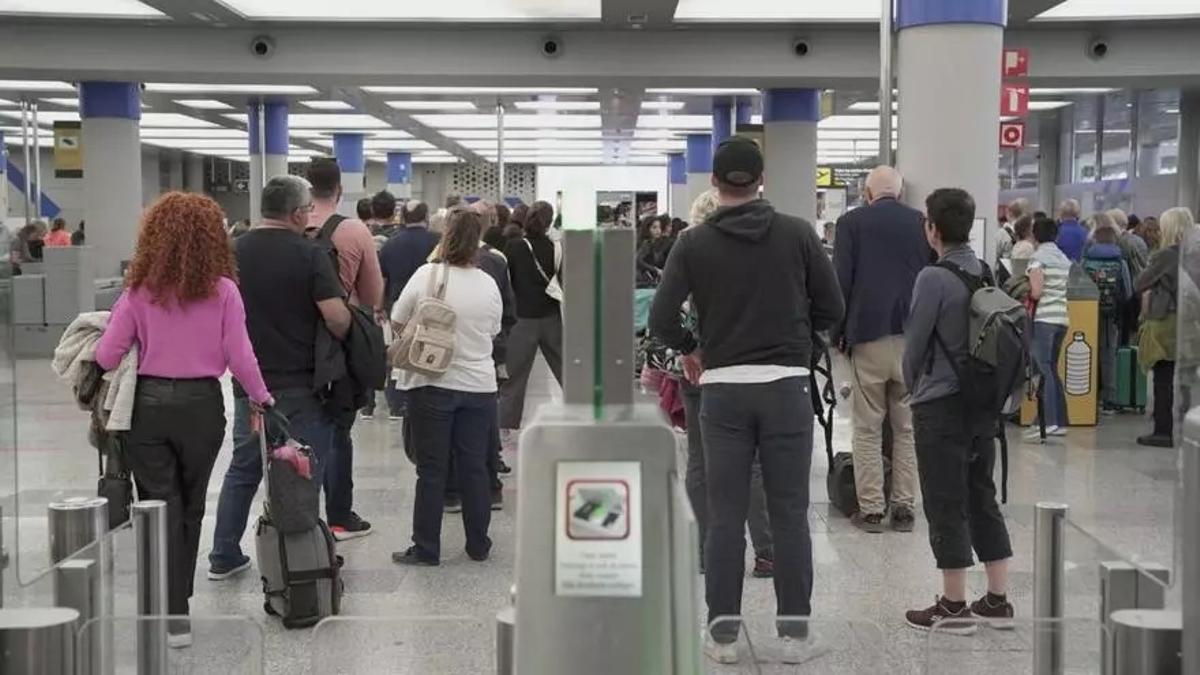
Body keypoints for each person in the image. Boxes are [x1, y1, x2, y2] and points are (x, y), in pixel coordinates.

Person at [649, 136, 843, 664]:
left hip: (724, 392)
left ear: (714, 182)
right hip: (785, 387)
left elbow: (661, 320)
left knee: (725, 515)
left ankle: (723, 637)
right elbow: (833, 307)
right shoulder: (799, 235)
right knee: (788, 512)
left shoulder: (692, 243)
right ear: (761, 181)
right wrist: (800, 341)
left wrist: (694, 349)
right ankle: (795, 636)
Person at [95, 192, 271, 648]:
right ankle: (179, 611)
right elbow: (240, 354)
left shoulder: (138, 291)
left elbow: (106, 354)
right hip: (202, 407)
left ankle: (162, 609)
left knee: (158, 507)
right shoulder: (224, 290)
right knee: (191, 508)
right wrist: (261, 396)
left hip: (147, 408)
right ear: (214, 238)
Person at [208, 176, 352, 580]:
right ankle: (303, 556)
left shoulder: (232, 253)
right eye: (306, 209)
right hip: (300, 384)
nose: (309, 215)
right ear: (295, 213)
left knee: (244, 466)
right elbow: (337, 317)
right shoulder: (309, 255)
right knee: (304, 467)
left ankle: (223, 554)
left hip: (248, 384)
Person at [901, 187, 1014, 634]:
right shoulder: (985, 271)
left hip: (941, 405)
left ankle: (952, 604)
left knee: (945, 500)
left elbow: (914, 347)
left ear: (932, 228)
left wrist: (914, 389)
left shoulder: (933, 278)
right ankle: (998, 598)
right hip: (981, 406)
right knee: (980, 494)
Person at [391, 208, 502, 566]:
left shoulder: (427, 274)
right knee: (474, 467)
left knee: (432, 469)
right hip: (480, 387)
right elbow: (495, 330)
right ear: (478, 244)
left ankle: (426, 548)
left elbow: (396, 318)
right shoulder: (489, 283)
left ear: (446, 236)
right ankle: (478, 544)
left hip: (432, 382)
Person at [676, 190, 776, 581]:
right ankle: (766, 552)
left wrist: (689, 349)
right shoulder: (762, 256)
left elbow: (670, 312)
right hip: (750, 369)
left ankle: (702, 548)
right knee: (751, 464)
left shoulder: (691, 252)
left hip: (702, 367)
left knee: (700, 462)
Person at [832, 165, 930, 534]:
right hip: (911, 337)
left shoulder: (851, 223)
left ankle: (871, 508)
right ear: (900, 193)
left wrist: (837, 334)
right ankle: (904, 508)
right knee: (906, 428)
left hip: (868, 334)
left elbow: (842, 279)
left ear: (868, 193)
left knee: (867, 426)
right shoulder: (921, 222)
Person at [307, 158, 384, 541]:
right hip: (337, 344)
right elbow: (371, 295)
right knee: (338, 430)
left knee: (290, 433)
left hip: (287, 344)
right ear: (340, 188)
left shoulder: (284, 228)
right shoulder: (352, 230)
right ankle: (339, 516)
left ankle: (295, 515)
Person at [499, 201, 564, 450]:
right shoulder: (556, 248)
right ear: (549, 222)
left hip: (521, 320)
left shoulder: (514, 247)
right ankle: (582, 414)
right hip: (551, 318)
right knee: (566, 370)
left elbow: (508, 282)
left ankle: (504, 428)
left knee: (514, 377)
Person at [1135, 207, 1196, 447]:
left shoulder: (1166, 256)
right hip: (1191, 320)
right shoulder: (1195, 254)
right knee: (1187, 378)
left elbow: (1140, 283)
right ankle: (1188, 427)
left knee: (1163, 376)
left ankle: (1163, 430)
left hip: (1167, 321)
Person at [379, 201, 440, 420]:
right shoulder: (438, 243)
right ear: (426, 217)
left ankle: (397, 403)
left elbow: (382, 280)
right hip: (433, 307)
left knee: (398, 354)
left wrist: (379, 307)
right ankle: (428, 397)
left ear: (403, 218)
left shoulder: (390, 245)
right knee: (432, 351)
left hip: (399, 307)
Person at [1082, 213, 1133, 414]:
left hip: (1088, 312)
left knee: (1089, 351)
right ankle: (1109, 399)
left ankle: (1088, 396)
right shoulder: (1120, 261)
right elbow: (1128, 291)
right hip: (1112, 315)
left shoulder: (1086, 259)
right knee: (1109, 353)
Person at [1027, 215, 1072, 438]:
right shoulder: (1063, 258)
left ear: (1035, 235)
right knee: (1052, 368)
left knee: (1042, 369)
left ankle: (1048, 421)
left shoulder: (1037, 258)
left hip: (1044, 319)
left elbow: (1036, 292)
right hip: (1062, 318)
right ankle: (1061, 421)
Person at [636, 215, 671, 286]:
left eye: (659, 227)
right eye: (654, 227)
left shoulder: (653, 244)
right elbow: (638, 260)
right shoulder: (646, 243)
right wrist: (656, 270)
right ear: (647, 229)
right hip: (643, 281)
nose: (658, 230)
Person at [997, 198, 1028, 264]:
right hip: (1021, 269)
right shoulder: (1027, 232)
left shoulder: (1002, 233)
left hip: (1006, 270)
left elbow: (995, 255)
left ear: (1010, 213)